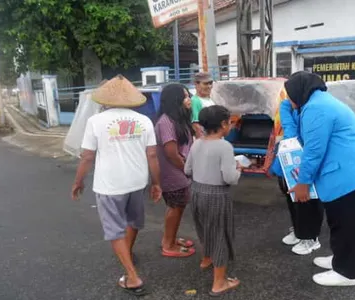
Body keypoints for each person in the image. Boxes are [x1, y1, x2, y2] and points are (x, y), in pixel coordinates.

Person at [284, 71, 355, 287]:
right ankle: (342, 259)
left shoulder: (316, 108)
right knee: (349, 222)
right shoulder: (320, 102)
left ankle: (346, 273)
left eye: (289, 94)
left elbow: (313, 150)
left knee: (347, 223)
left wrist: (303, 183)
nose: (288, 99)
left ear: (299, 90)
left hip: (352, 174)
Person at [71, 75, 162, 296]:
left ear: (104, 98)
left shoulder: (96, 121)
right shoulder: (144, 120)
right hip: (137, 182)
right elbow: (152, 155)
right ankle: (127, 255)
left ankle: (132, 277)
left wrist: (78, 181)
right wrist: (156, 182)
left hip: (110, 185)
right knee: (132, 222)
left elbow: (87, 157)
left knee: (114, 230)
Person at [184, 105, 241, 297]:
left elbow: (187, 170)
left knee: (204, 228)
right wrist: (238, 168)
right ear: (223, 124)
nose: (231, 125)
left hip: (197, 191)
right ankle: (219, 282)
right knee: (219, 235)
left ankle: (206, 258)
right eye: (230, 122)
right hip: (217, 195)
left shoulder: (197, 143)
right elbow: (229, 178)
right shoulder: (224, 146)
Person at [270, 98, 324, 255]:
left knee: (309, 198)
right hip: (289, 158)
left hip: (308, 157)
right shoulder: (286, 105)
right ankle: (299, 231)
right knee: (292, 197)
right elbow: (289, 128)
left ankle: (311, 238)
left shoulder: (314, 107)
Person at [155, 83, 196, 258]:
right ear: (176, 100)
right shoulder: (166, 122)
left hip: (180, 171)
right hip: (173, 174)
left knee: (179, 206)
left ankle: (170, 238)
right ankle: (168, 244)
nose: (189, 99)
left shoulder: (178, 119)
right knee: (175, 207)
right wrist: (185, 169)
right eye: (186, 96)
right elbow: (171, 153)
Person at [191, 72, 215, 138]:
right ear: (196, 84)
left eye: (210, 83)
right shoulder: (195, 101)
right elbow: (196, 126)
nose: (209, 86)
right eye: (205, 83)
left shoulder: (211, 99)